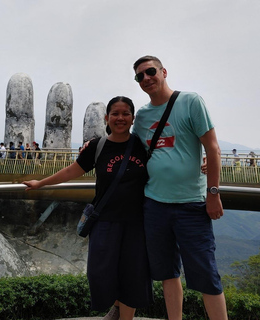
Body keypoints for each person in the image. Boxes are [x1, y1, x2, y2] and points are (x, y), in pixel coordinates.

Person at [23, 96, 152, 320]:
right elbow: (71, 171)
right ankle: (117, 305)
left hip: (137, 221)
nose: (120, 118)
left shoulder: (143, 146)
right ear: (107, 118)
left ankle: (125, 316)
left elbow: (167, 163)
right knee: (100, 271)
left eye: (125, 114)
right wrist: (40, 183)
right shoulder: (98, 146)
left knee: (132, 273)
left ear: (132, 118)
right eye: (115, 113)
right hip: (104, 219)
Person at [131, 55, 227, 320]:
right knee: (166, 273)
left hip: (192, 204)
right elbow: (128, 145)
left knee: (206, 273)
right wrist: (90, 148)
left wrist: (213, 193)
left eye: (150, 72)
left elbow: (213, 148)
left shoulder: (190, 102)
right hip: (154, 204)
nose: (146, 78)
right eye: (140, 76)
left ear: (163, 71)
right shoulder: (142, 116)